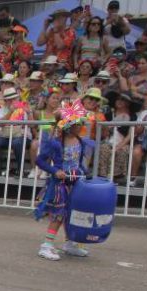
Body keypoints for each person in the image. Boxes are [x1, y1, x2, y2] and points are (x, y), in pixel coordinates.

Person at [33, 100, 95, 261]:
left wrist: (84, 172)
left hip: (76, 183)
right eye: (76, 124)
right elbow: (40, 160)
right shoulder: (55, 144)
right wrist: (55, 171)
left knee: (71, 214)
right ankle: (46, 245)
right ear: (68, 126)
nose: (80, 126)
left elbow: (79, 162)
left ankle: (70, 244)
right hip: (60, 185)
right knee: (58, 215)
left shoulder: (80, 141)